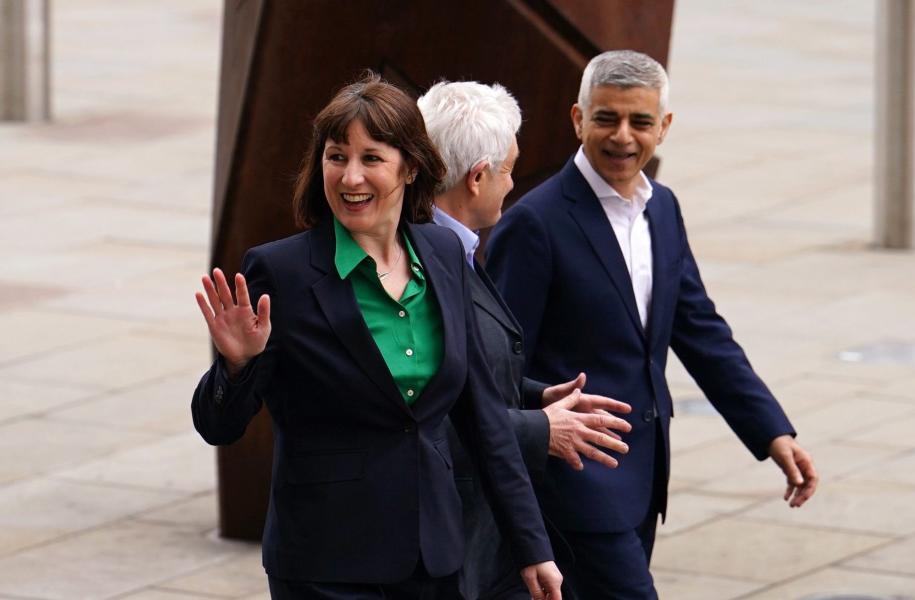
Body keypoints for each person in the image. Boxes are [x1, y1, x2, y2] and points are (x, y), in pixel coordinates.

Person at [191, 72, 562, 600]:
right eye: (337, 156)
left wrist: (533, 548)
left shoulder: (443, 256)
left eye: (372, 158)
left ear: (410, 166)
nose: (350, 177)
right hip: (326, 563)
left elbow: (483, 421)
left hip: (432, 558)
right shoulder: (282, 272)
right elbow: (219, 426)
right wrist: (236, 367)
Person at [485, 50, 819, 599]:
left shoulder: (661, 208)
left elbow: (701, 331)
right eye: (606, 118)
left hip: (642, 479)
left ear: (663, 127)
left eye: (640, 121)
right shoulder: (534, 224)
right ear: (577, 119)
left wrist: (771, 431)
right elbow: (498, 360)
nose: (622, 136)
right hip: (573, 482)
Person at [418, 81, 633, 600]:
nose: (513, 186)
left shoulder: (459, 246)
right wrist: (539, 428)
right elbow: (426, 413)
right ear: (477, 178)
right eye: (509, 170)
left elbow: (465, 368)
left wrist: (535, 395)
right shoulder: (420, 261)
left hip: (491, 536)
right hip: (449, 545)